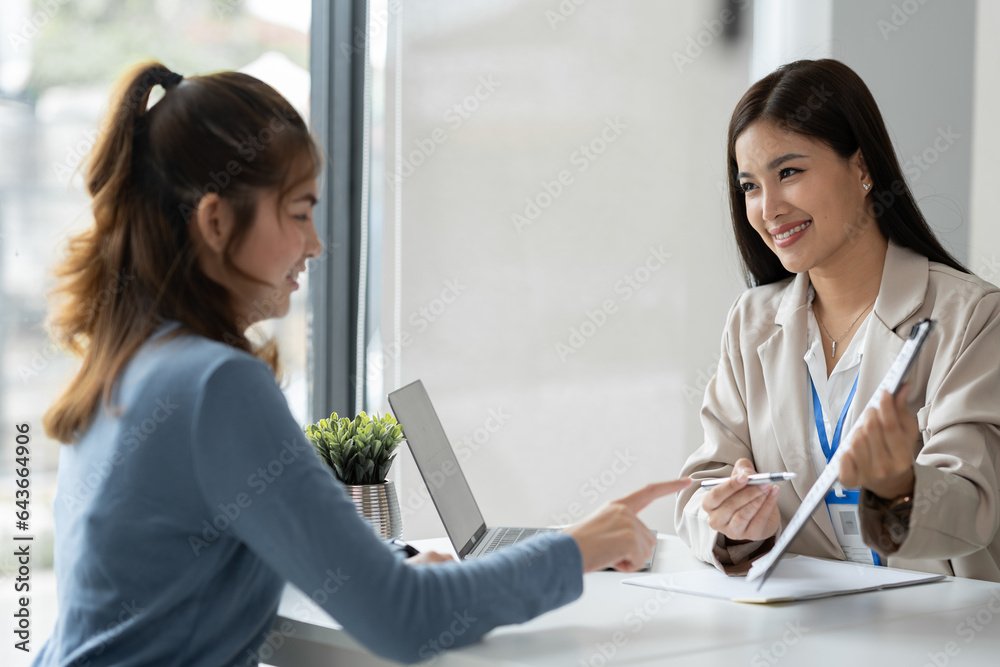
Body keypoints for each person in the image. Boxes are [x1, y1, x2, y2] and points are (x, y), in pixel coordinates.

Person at [34, 62, 691, 666]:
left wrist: (380, 563)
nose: (315, 245)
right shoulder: (215, 385)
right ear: (214, 221)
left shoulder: (136, 365)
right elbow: (407, 621)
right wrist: (581, 548)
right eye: (299, 213)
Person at [674, 59, 1000, 582]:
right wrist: (730, 524)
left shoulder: (970, 317)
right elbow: (703, 485)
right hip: (805, 628)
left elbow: (975, 508)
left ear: (864, 168)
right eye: (750, 186)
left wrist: (898, 484)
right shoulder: (752, 320)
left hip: (937, 631)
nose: (768, 208)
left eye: (789, 172)